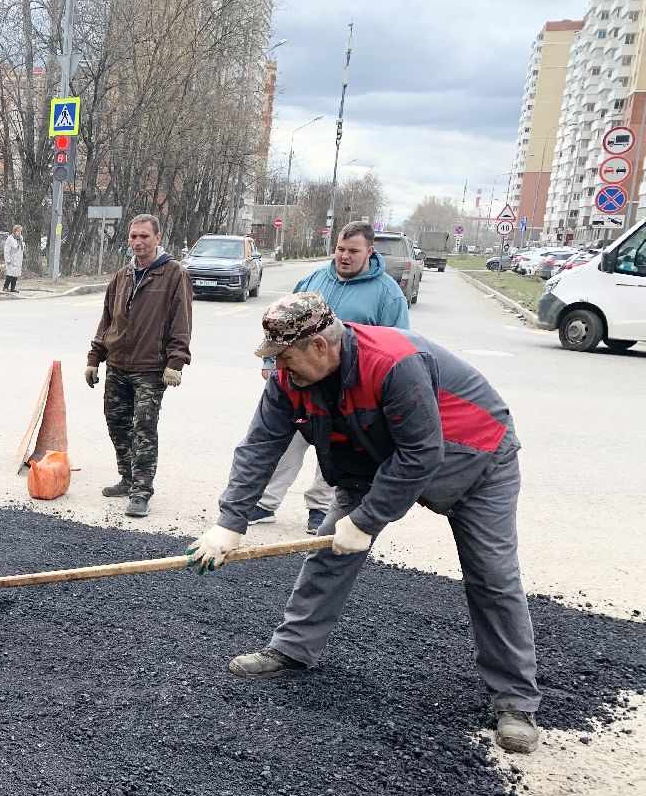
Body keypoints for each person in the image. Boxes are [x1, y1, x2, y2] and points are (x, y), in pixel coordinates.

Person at [185, 292, 540, 754]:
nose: (280, 369)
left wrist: (367, 520)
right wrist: (230, 521)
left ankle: (515, 700)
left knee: (491, 576)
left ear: (319, 346)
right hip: (373, 461)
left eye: (286, 357)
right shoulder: (289, 379)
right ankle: (292, 650)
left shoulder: (393, 364)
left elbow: (422, 455)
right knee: (329, 551)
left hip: (474, 458)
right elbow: (259, 447)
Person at [251, 221, 410, 534]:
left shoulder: (388, 294)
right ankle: (264, 502)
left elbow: (398, 346)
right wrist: (272, 360)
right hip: (303, 378)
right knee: (286, 440)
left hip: (351, 388)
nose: (345, 256)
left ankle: (320, 508)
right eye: (340, 249)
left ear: (369, 252)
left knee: (334, 447)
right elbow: (282, 324)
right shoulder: (314, 279)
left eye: (353, 251)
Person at [84, 213, 193, 518]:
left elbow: (181, 321)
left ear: (158, 238)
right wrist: (95, 358)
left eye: (144, 236)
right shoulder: (121, 277)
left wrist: (176, 362)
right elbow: (107, 320)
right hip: (118, 364)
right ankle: (127, 477)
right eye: (133, 236)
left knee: (143, 426)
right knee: (117, 423)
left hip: (151, 368)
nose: (138, 242)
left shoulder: (174, 275)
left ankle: (142, 490)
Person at [2, 225, 24, 293]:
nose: (19, 232)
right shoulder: (10, 239)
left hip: (18, 259)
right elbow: (6, 250)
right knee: (10, 274)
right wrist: (8, 259)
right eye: (18, 231)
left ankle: (13, 288)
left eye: (20, 231)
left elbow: (21, 249)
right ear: (14, 231)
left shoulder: (20, 238)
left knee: (15, 274)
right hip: (11, 259)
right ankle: (5, 287)